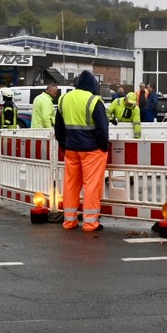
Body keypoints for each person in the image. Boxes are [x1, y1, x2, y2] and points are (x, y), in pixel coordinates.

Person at [54, 70, 110, 232]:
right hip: (92, 150)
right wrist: (104, 146)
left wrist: (64, 146)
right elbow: (102, 128)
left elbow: (58, 128)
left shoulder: (64, 99)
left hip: (71, 149)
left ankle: (69, 221)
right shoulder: (94, 101)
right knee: (91, 186)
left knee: (70, 185)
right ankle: (90, 223)